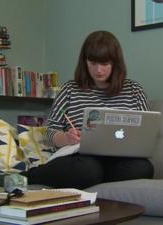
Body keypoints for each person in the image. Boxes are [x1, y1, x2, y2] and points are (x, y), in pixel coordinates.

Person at [21, 30, 154, 189]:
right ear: (85, 62)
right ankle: (29, 176)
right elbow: (50, 132)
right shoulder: (70, 89)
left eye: (105, 64)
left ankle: (95, 180)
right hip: (80, 158)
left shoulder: (134, 91)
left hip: (119, 161)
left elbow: (145, 134)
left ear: (115, 63)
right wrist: (66, 138)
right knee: (87, 169)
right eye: (93, 63)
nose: (98, 70)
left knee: (144, 168)